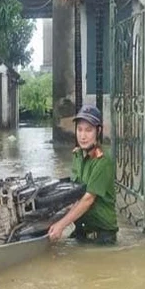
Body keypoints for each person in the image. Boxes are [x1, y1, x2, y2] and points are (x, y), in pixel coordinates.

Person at [47, 105, 119, 245]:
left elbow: (87, 199)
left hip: (102, 236)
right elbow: (75, 193)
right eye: (79, 129)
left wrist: (61, 225)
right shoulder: (77, 155)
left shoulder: (103, 161)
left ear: (98, 131)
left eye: (88, 130)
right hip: (82, 231)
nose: (83, 136)